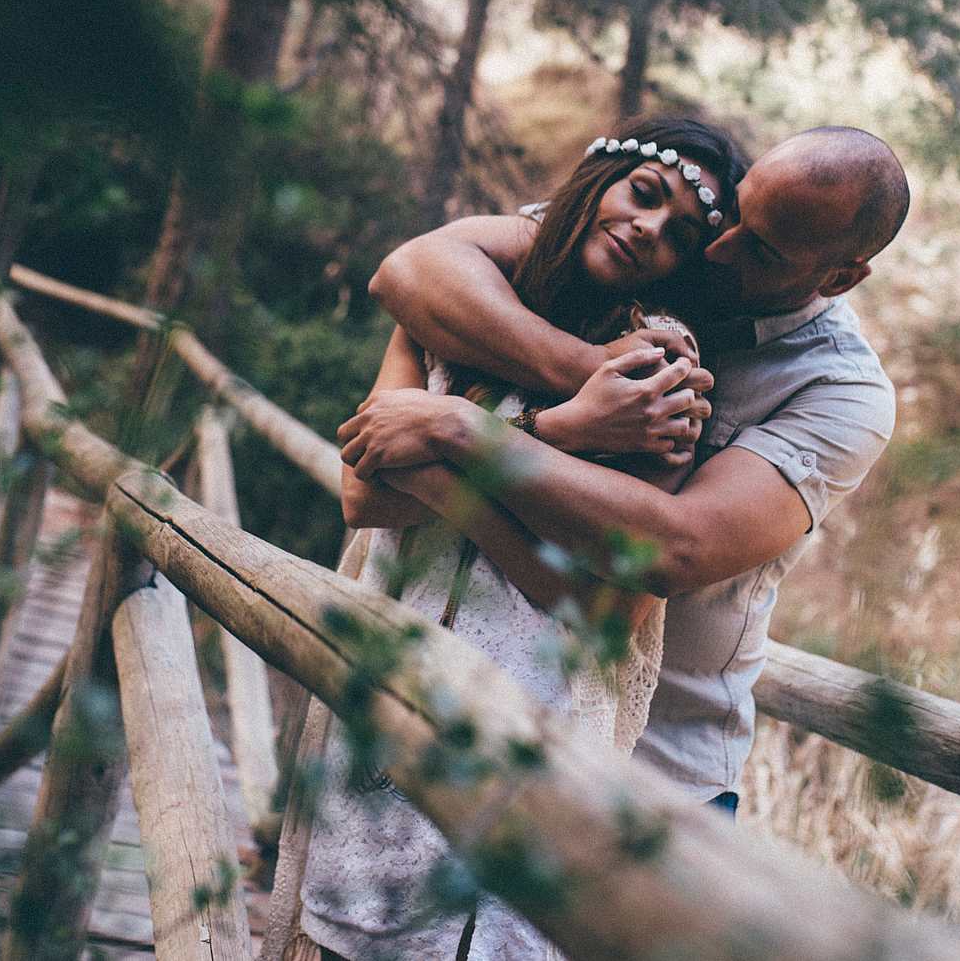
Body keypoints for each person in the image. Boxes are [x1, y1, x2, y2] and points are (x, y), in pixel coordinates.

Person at [343, 126, 908, 814]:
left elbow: (672, 548)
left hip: (661, 773)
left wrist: (463, 430)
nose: (720, 247)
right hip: (477, 708)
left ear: (840, 275)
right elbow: (409, 270)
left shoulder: (842, 392)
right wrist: (591, 376)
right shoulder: (660, 240)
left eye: (760, 247)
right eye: (736, 213)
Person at [291, 117, 745, 961]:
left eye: (681, 233)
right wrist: (560, 426)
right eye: (642, 195)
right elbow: (365, 489)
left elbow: (595, 600)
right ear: (597, 182)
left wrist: (453, 449)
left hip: (534, 717)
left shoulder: (665, 376)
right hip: (391, 686)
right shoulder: (455, 310)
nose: (649, 229)